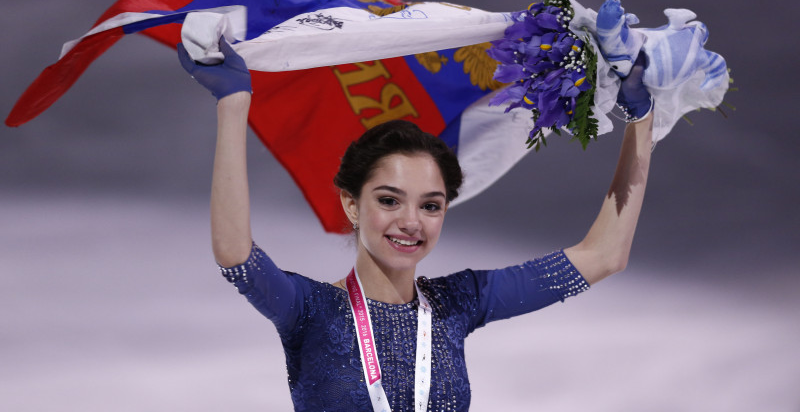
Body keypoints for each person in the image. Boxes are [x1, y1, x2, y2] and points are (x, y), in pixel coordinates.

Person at [177, 39, 654, 411]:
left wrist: (642, 118)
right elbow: (235, 254)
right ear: (352, 206)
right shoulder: (310, 311)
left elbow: (603, 255)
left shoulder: (459, 303)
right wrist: (234, 104)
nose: (410, 222)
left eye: (430, 205)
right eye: (389, 200)